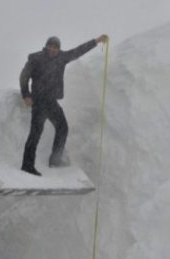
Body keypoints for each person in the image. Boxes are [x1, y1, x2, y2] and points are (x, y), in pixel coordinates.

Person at [20, 34, 109, 176]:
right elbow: (24, 76)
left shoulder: (61, 58)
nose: (53, 49)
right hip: (38, 101)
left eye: (56, 47)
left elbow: (79, 51)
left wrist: (96, 41)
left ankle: (55, 160)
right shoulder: (36, 58)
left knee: (63, 127)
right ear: (46, 46)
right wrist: (26, 95)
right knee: (35, 133)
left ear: (58, 49)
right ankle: (27, 165)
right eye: (50, 46)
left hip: (51, 102)